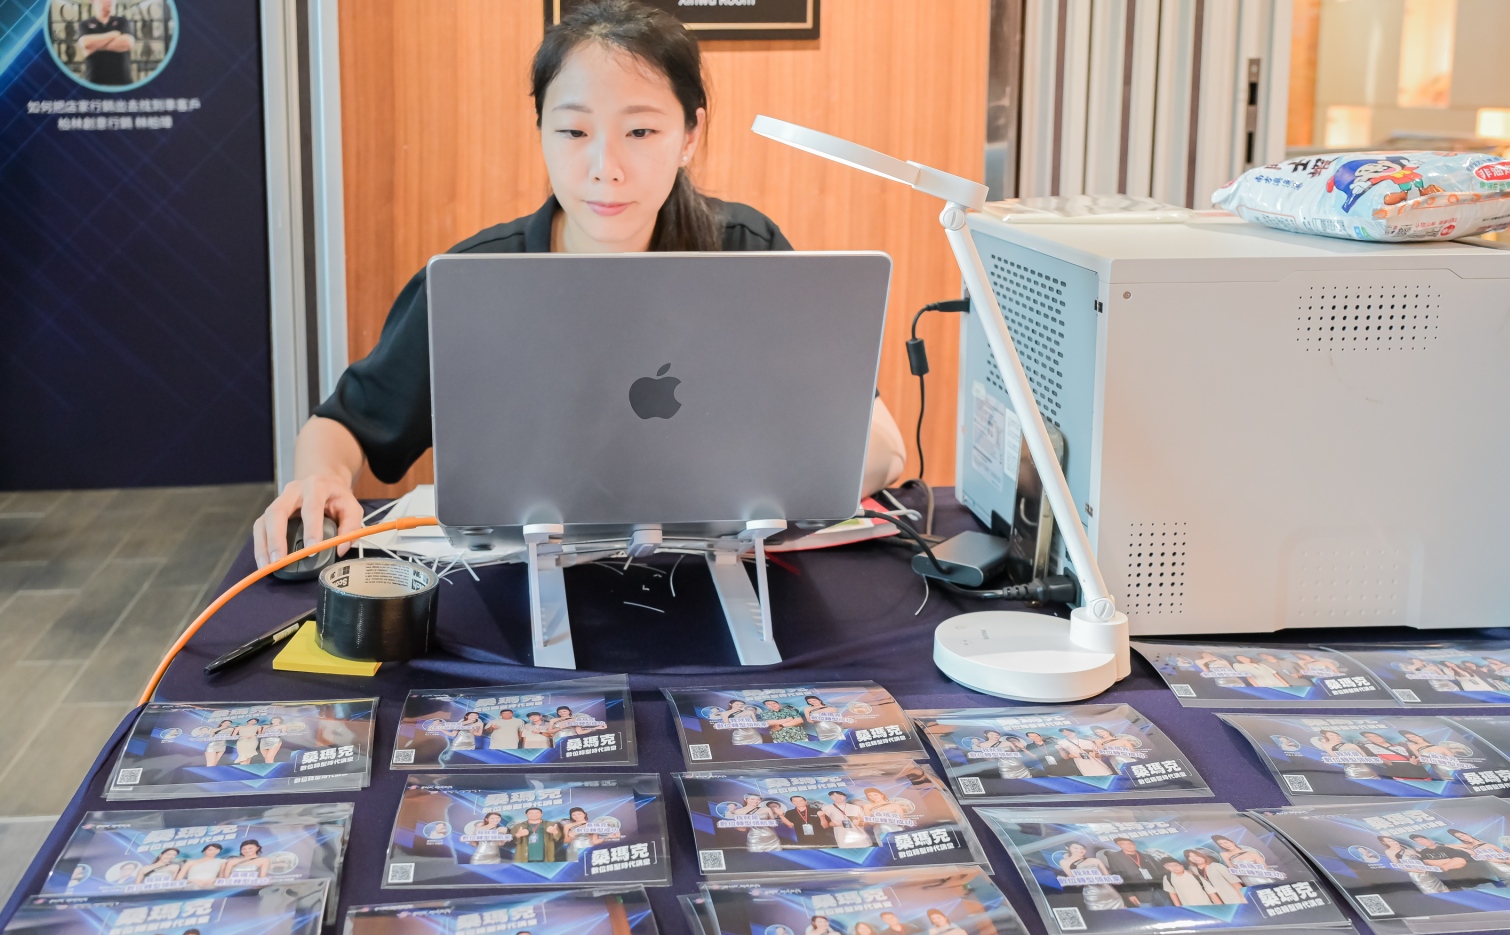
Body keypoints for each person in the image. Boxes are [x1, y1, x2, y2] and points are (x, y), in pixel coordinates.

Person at [253, 7, 903, 566]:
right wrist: (318, 479)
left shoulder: (747, 253)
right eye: (573, 131)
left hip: (721, 573)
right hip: (520, 585)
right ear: (540, 129)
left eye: (641, 131)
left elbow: (878, 445)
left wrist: (818, 472)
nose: (605, 168)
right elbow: (342, 427)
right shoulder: (478, 280)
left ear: (690, 135)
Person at [74, 0, 134, 86]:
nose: (109, 1)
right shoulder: (85, 24)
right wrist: (114, 34)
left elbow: (127, 43)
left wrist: (95, 46)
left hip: (122, 83)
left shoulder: (122, 22)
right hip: (95, 83)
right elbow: (86, 43)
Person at [1057, 841, 1124, 912]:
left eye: (1082, 848)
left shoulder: (1095, 860)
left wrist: (1116, 879)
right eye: (1075, 848)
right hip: (1092, 894)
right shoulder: (1064, 862)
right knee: (1099, 915)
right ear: (1068, 848)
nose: (1079, 850)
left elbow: (1107, 876)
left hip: (1109, 892)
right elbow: (1074, 880)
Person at [1105, 837, 1167, 908]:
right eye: (1124, 844)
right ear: (1119, 845)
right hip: (1140, 894)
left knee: (1169, 911)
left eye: (1130, 843)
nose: (1129, 845)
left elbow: (1160, 870)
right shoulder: (1115, 858)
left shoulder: (1147, 856)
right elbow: (1118, 877)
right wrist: (1129, 895)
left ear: (1134, 844)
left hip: (1159, 890)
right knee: (1148, 914)